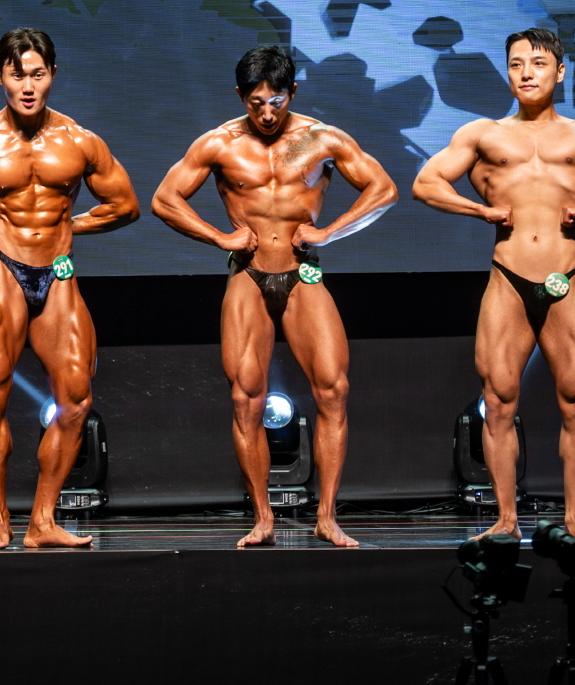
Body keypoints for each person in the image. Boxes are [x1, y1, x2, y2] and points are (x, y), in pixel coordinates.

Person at [412, 28, 575, 545]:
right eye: (517, 64)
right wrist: (478, 210)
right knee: (499, 401)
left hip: (566, 278)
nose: (527, 73)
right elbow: (426, 183)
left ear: (560, 72)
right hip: (508, 278)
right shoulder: (483, 134)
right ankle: (505, 520)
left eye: (539, 63)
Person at [152, 45, 397, 548]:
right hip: (248, 274)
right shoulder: (219, 143)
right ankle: (263, 519)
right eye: (256, 102)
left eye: (277, 102)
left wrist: (329, 232)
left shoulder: (322, 138)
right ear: (240, 95)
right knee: (246, 398)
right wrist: (219, 238)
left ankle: (326, 517)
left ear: (293, 93)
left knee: (333, 390)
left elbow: (384, 189)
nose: (267, 113)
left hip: (303, 273)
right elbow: (164, 199)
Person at [0, 28, 140, 549]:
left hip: (57, 273)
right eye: (18, 76)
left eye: (37, 74)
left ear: (53, 74)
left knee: (76, 400)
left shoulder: (80, 141)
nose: (28, 86)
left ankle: (42, 521)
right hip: (2, 273)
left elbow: (125, 206)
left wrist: (66, 227)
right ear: (0, 77)